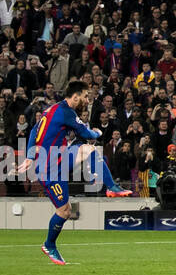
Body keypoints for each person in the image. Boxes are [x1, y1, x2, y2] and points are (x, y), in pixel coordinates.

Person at [22, 80, 132, 265]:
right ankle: (49, 245)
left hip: (59, 159)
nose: (87, 100)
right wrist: (97, 132)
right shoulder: (66, 112)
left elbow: (35, 129)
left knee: (88, 150)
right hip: (49, 170)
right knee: (64, 211)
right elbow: (88, 133)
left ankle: (111, 186)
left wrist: (29, 156)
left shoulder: (52, 109)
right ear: (75, 96)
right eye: (85, 96)